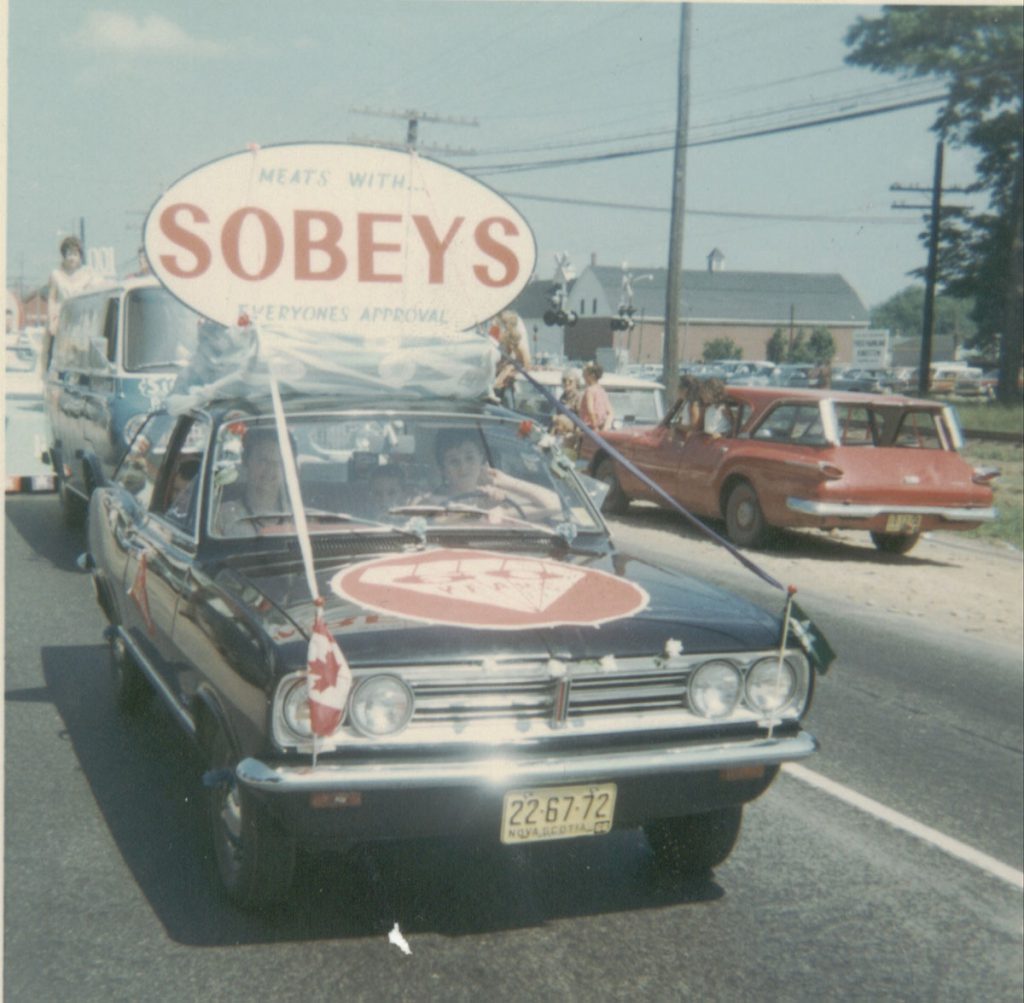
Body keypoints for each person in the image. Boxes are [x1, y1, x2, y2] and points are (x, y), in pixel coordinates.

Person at [422, 428, 558, 517]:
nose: (463, 467)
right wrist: (480, 509)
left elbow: (554, 505)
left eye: (470, 458)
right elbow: (436, 522)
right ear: (443, 469)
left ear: (481, 460)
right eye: (453, 461)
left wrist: (506, 482)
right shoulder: (432, 501)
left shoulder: (495, 500)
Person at [216, 427, 291, 536]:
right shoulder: (221, 517)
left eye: (278, 463)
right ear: (246, 462)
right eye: (263, 460)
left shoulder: (303, 519)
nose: (270, 469)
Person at [43, 235, 98, 371]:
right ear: (64, 256)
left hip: (81, 323)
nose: (72, 258)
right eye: (68, 254)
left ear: (80, 255)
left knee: (80, 359)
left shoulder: (88, 274)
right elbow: (52, 298)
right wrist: (52, 321)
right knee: (60, 360)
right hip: (62, 321)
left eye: (75, 254)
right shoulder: (56, 274)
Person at [491, 310, 531, 408]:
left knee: (507, 371)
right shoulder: (507, 343)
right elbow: (506, 358)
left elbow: (527, 365)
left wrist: (511, 373)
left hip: (517, 373)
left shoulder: (520, 346)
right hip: (509, 370)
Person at [578, 362, 613, 432]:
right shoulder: (602, 390)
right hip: (601, 425)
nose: (583, 376)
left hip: (590, 427)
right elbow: (610, 412)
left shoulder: (590, 391)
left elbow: (590, 410)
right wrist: (606, 427)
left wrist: (595, 427)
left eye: (585, 373)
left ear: (592, 376)